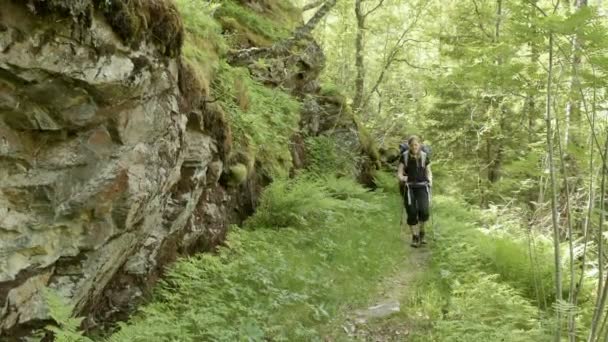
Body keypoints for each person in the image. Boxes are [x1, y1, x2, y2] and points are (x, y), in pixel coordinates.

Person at [397, 135, 433, 247]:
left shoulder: (424, 156)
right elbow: (399, 173)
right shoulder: (405, 156)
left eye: (416, 145)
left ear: (420, 145)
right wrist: (403, 178)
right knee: (411, 212)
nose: (414, 147)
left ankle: (422, 232)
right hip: (409, 188)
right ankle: (415, 237)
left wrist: (430, 180)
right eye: (412, 145)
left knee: (424, 211)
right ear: (409, 146)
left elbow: (429, 171)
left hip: (422, 186)